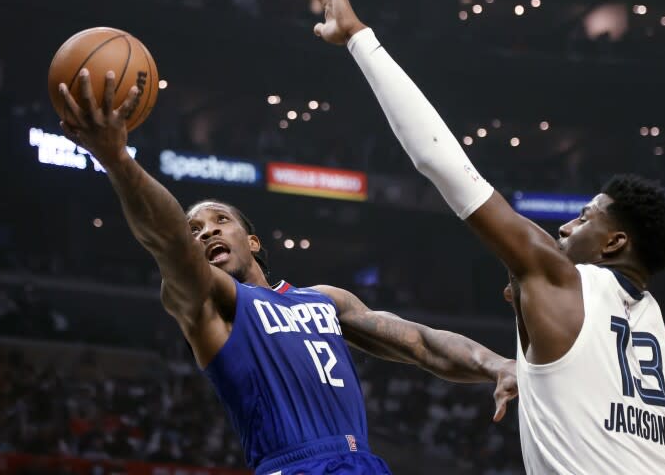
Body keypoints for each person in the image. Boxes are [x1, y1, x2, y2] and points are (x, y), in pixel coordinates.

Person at [295, 0, 665, 474]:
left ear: (615, 242)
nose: (565, 223)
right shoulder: (661, 344)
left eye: (585, 216)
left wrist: (359, 38)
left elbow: (442, 164)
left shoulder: (558, 278)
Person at [56, 71, 516, 475]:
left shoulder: (325, 300)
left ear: (252, 241)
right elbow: (170, 242)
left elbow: (421, 343)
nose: (205, 232)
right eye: (196, 228)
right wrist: (119, 160)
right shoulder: (213, 306)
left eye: (220, 221)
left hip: (362, 464)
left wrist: (499, 365)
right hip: (293, 465)